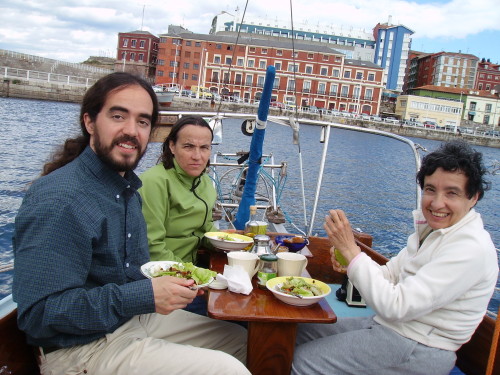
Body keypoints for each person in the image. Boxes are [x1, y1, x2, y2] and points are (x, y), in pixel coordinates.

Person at [12, 72, 249, 375]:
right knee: (229, 370)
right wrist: (146, 295)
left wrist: (163, 289)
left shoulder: (125, 191)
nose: (131, 131)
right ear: (89, 122)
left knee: (241, 340)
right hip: (82, 348)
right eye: (118, 115)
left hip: (131, 321)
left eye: (142, 121)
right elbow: (40, 315)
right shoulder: (61, 200)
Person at [292, 140, 498, 375]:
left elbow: (396, 307)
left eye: (452, 193)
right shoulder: (433, 231)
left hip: (419, 347)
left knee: (303, 362)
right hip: (389, 328)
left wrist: (352, 253)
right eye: (430, 189)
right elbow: (388, 275)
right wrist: (351, 264)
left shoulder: (470, 248)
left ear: (473, 198)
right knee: (297, 332)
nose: (437, 203)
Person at [139, 115, 217, 265]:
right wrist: (190, 273)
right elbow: (152, 246)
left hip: (191, 265)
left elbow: (205, 229)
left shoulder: (206, 183)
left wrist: (230, 244)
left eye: (204, 148)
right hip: (162, 272)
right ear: (172, 146)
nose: (197, 156)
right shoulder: (154, 182)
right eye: (188, 147)